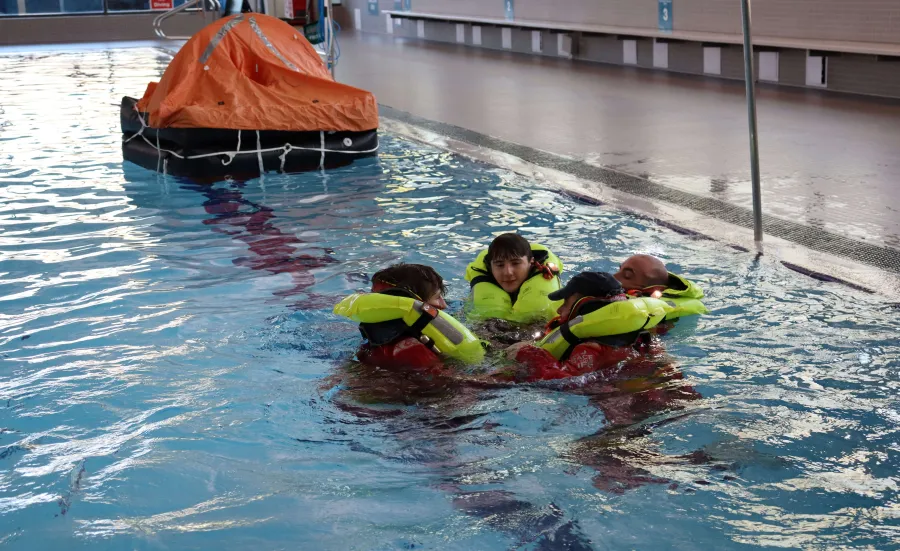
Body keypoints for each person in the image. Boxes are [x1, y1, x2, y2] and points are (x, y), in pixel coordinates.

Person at [497, 272, 653, 382]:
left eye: (566, 303)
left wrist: (526, 352)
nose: (559, 310)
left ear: (585, 307)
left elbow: (564, 382)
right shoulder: (638, 335)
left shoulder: (591, 348)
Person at [334, 263, 485, 371]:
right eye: (437, 297)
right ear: (416, 303)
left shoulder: (373, 341)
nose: (443, 305)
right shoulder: (415, 349)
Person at [464, 233, 563, 324]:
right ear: (490, 266)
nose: (508, 272)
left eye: (515, 263)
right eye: (499, 265)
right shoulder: (482, 284)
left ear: (531, 262)